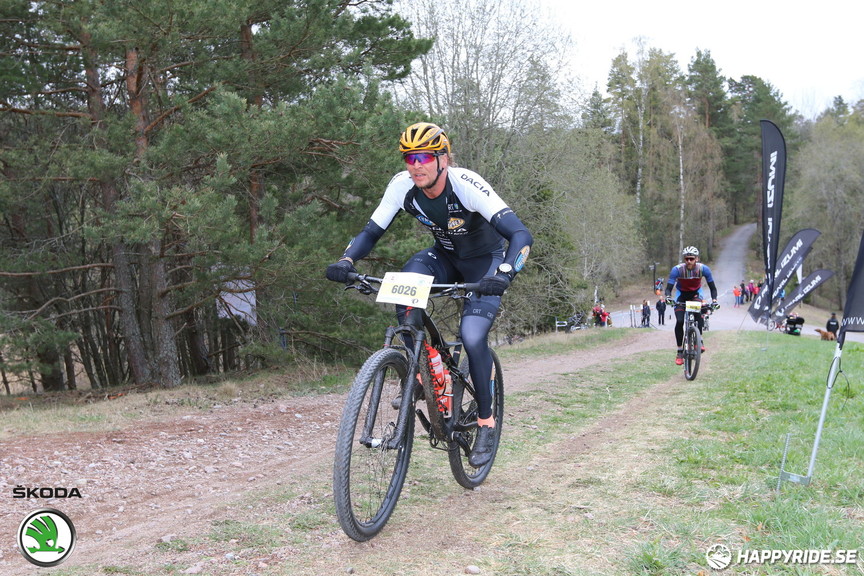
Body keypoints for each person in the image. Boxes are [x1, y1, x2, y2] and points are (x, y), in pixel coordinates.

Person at [325, 122, 533, 468]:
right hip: (445, 257)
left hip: (486, 264)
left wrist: (505, 273)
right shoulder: (402, 186)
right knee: (404, 289)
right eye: (409, 157)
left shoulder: (465, 185)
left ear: (443, 159)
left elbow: (521, 235)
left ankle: (485, 422)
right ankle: (428, 368)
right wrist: (347, 260)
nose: (415, 164)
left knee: (471, 335)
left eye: (423, 156)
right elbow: (371, 231)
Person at [664, 246, 719, 365]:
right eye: (687, 258)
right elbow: (668, 288)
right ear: (684, 259)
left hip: (695, 294)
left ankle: (699, 340)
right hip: (681, 295)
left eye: (691, 259)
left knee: (698, 314)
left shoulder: (704, 269)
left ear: (697, 259)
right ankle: (679, 351)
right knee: (679, 321)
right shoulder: (677, 270)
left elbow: (713, 288)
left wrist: (714, 300)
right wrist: (668, 297)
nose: (689, 261)